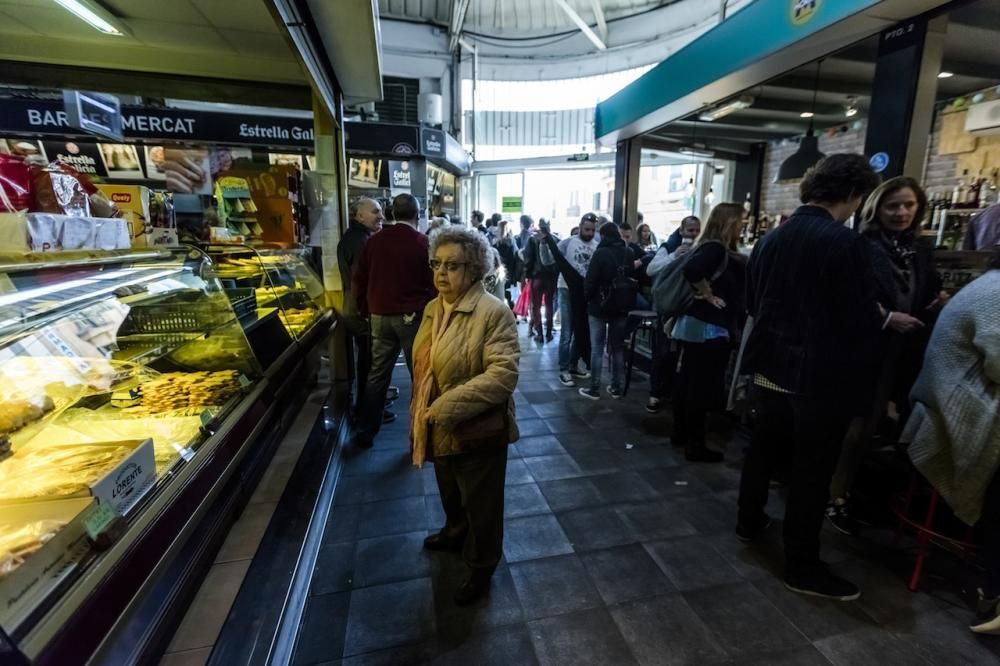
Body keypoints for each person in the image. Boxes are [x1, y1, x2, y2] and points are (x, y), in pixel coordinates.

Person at [736, 153, 889, 602]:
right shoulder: (846, 243)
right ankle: (802, 566)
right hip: (817, 378)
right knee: (811, 472)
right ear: (855, 195)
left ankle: (749, 521)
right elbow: (860, 319)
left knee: (761, 452)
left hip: (767, 367)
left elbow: (752, 303)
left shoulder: (770, 239)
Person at [827, 177, 948, 535]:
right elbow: (844, 300)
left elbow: (928, 285)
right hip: (866, 347)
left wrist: (937, 300)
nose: (901, 212)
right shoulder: (860, 245)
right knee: (857, 425)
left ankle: (874, 495)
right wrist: (885, 317)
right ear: (875, 208)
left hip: (909, 347)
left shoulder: (918, 248)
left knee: (895, 423)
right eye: (892, 205)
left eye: (909, 205)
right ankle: (836, 496)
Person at [411, 226, 520, 606]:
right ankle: (455, 532)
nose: (441, 273)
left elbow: (503, 375)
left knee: (483, 503)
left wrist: (445, 407)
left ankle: (482, 565)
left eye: (452, 265)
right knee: (451, 490)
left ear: (474, 270)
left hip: (476, 427)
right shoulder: (432, 307)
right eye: (436, 264)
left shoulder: (493, 311)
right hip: (438, 424)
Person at [901, 249, 1000, 634]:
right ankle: (993, 589)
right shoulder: (996, 293)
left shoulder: (988, 284)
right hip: (954, 413)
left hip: (943, 404)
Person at [351, 193, 436, 449]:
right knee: (419, 375)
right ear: (418, 214)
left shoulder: (373, 242)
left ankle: (367, 432)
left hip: (378, 316)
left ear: (391, 214)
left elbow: (359, 279)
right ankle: (418, 436)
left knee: (377, 374)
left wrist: (365, 309)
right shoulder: (423, 242)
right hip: (411, 317)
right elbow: (433, 283)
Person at [670, 203, 746, 463]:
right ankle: (695, 444)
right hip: (708, 328)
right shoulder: (715, 248)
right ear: (729, 223)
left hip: (695, 325)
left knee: (687, 383)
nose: (743, 226)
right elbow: (691, 271)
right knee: (699, 387)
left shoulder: (707, 246)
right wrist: (709, 294)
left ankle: (681, 434)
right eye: (740, 221)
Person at [337, 198, 397, 417]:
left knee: (368, 362)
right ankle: (368, 411)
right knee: (370, 365)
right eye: (375, 212)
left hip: (356, 308)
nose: (381, 216)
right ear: (359, 216)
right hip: (360, 310)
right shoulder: (360, 241)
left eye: (381, 211)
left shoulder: (359, 238)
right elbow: (360, 281)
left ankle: (367, 408)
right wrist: (366, 311)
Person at [580, 222, 635, 400]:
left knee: (597, 348)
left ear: (602, 236)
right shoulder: (629, 252)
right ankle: (616, 387)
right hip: (622, 306)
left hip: (599, 306)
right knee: (617, 348)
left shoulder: (601, 253)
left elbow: (591, 280)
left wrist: (587, 299)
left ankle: (594, 389)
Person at [545, 212, 598, 386]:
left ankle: (573, 365)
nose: (589, 233)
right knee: (567, 331)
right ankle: (564, 369)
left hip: (584, 292)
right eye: (587, 229)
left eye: (592, 230)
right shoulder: (568, 242)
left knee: (580, 330)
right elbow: (548, 260)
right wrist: (544, 243)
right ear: (580, 226)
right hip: (566, 289)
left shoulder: (597, 246)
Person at [522, 217, 560, 343]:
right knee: (549, 305)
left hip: (536, 276)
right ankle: (549, 331)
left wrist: (527, 275)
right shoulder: (555, 239)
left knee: (536, 306)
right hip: (551, 277)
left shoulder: (532, 239)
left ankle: (540, 333)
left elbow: (528, 259)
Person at [495, 220, 520, 309]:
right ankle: (514, 313)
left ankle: (512, 314)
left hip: (501, 273)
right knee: (509, 295)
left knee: (502, 294)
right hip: (511, 272)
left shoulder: (499, 244)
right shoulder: (513, 242)